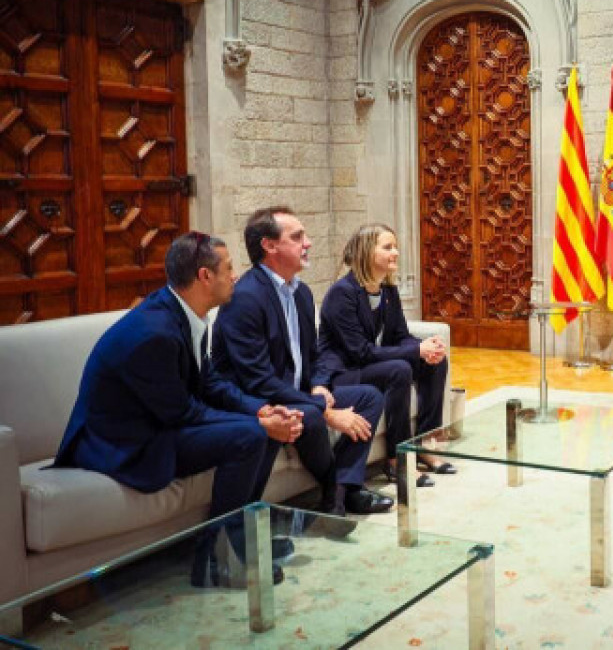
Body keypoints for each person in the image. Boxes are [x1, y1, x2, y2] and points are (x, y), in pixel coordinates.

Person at [54, 232, 303, 587]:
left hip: (161, 423)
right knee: (250, 436)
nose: (235, 276)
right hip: (125, 443)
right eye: (228, 268)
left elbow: (210, 382)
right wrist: (259, 425)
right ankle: (216, 557)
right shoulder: (154, 332)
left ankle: (244, 538)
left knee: (262, 430)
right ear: (205, 276)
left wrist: (262, 411)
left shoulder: (184, 312)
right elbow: (182, 413)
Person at [211, 207, 393, 516]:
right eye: (297, 237)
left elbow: (314, 355)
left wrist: (319, 386)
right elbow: (258, 380)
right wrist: (324, 409)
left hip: (298, 392)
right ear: (269, 245)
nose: (308, 243)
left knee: (369, 397)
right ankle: (337, 492)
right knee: (309, 415)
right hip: (261, 400)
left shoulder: (302, 293)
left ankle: (341, 488)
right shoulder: (245, 297)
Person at [316, 223, 452, 487]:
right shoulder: (342, 293)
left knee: (435, 363)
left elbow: (400, 335)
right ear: (367, 252)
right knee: (399, 369)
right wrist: (416, 350)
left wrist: (426, 348)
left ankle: (425, 443)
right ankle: (397, 460)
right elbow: (360, 352)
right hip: (345, 372)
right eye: (388, 247)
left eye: (395, 247)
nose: (396, 253)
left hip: (370, 364)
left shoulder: (388, 290)